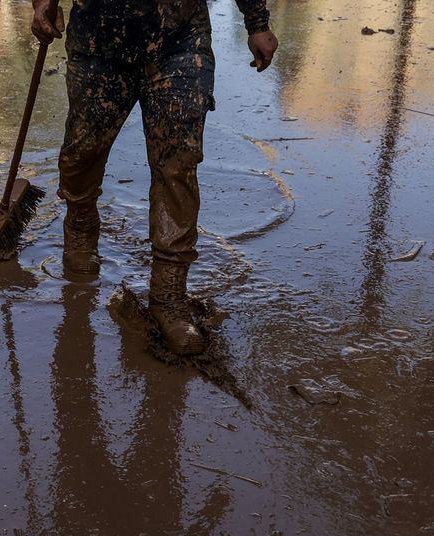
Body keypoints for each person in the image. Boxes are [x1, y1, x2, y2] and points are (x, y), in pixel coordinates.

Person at [31, 0, 278, 356]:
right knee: (83, 151)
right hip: (98, 40)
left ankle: (168, 295)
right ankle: (81, 224)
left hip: (180, 38)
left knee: (177, 163)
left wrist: (256, 21)